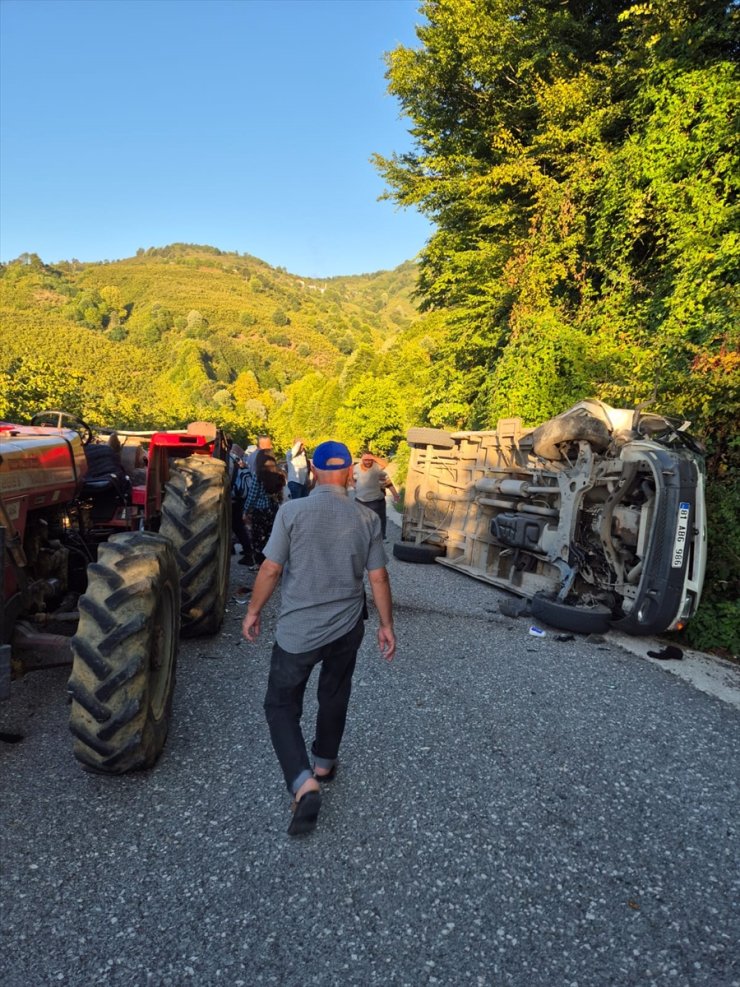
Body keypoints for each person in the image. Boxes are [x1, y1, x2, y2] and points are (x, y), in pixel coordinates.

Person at [242, 440, 395, 837]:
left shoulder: (291, 511)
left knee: (280, 704)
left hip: (298, 631)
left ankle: (302, 780)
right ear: (349, 473)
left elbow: (271, 569)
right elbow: (378, 577)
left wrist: (254, 611)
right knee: (334, 691)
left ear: (313, 470)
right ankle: (324, 762)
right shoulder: (367, 518)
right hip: (347, 628)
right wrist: (386, 625)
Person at [242, 450, 285, 565]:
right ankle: (272, 562)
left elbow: (252, 495)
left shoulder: (259, 475)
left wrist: (245, 511)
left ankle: (260, 564)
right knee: (271, 538)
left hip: (260, 511)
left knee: (258, 539)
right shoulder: (279, 474)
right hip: (273, 510)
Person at [352, 451, 399, 540]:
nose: (368, 462)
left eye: (370, 460)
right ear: (362, 459)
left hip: (376, 502)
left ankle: (379, 540)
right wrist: (353, 485)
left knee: (378, 523)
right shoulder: (356, 468)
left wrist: (395, 495)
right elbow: (350, 477)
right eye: (365, 460)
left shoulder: (377, 468)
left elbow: (388, 483)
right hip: (360, 501)